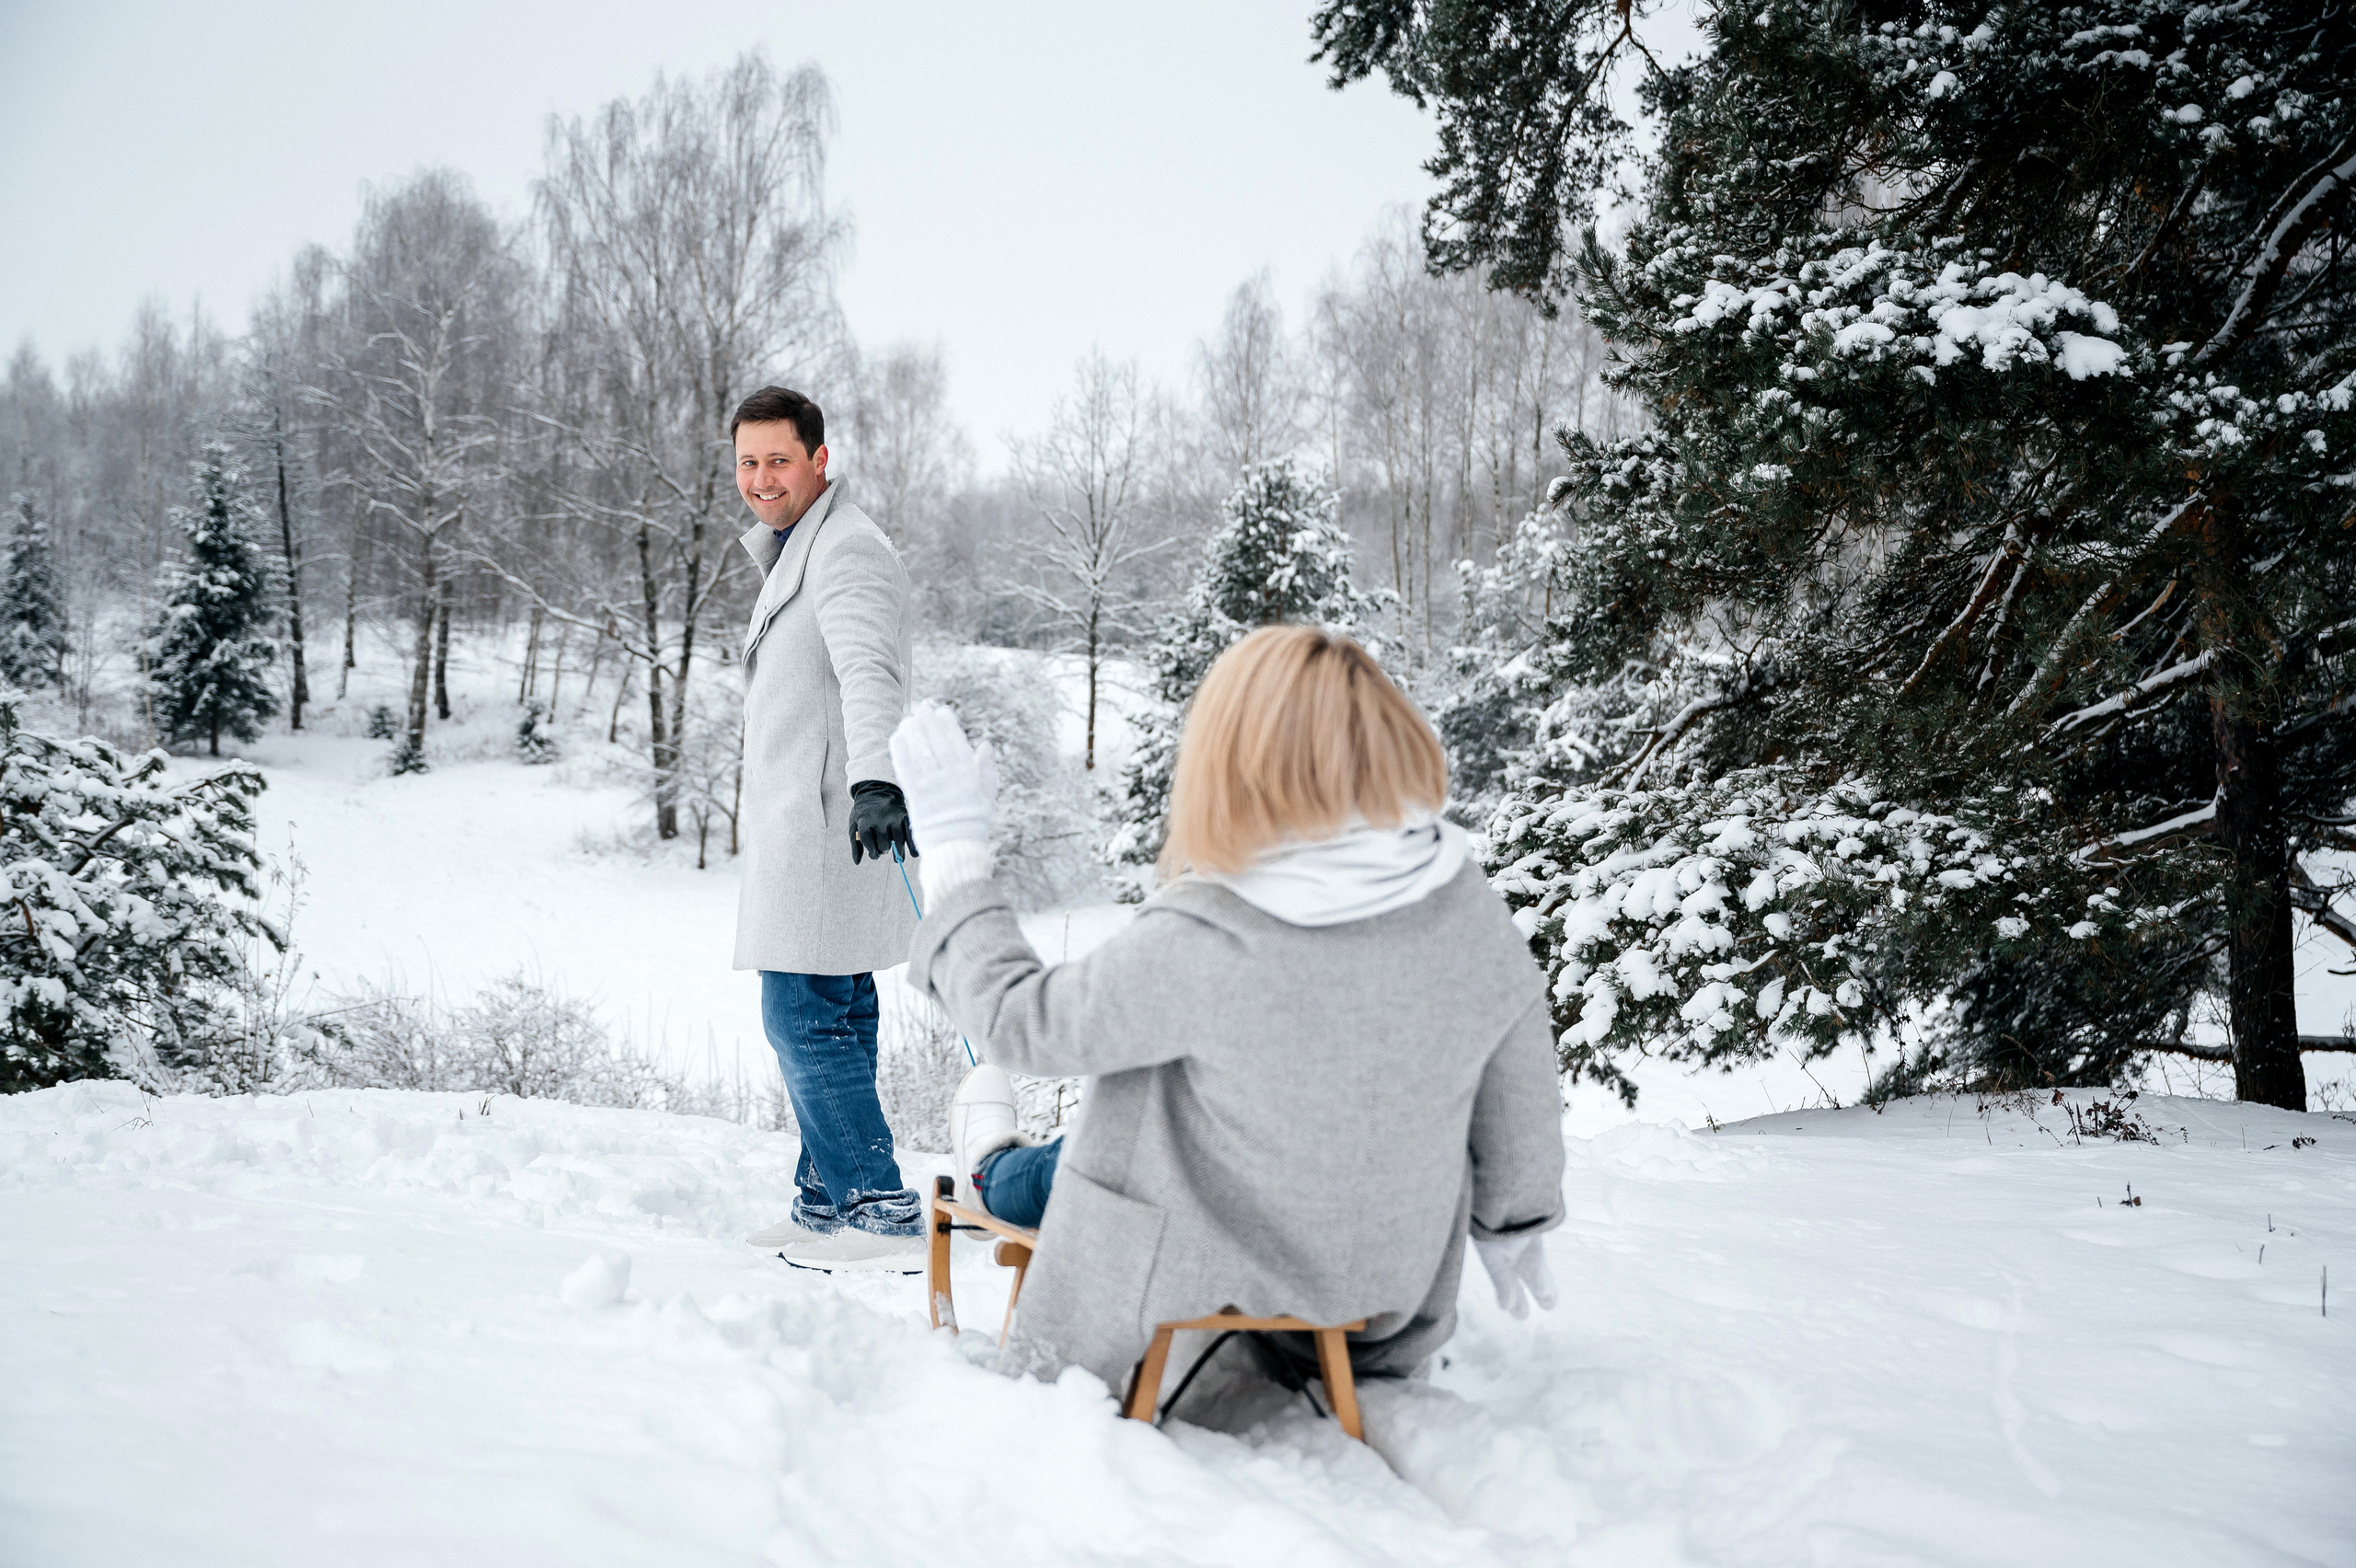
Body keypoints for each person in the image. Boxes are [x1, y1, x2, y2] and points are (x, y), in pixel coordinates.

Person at [888, 624, 1565, 1407]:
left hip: (1192, 1254)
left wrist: (956, 859)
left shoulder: (1212, 931)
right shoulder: (1463, 904)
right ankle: (1007, 1158)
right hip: (1377, 1281)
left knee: (1067, 1158)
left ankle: (988, 1164)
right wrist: (1515, 1223)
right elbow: (1518, 1086)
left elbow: (1022, 1024)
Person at [731, 386, 927, 1273]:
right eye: (747, 462)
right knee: (837, 1009)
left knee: (801, 1014)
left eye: (778, 459)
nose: (761, 479)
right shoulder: (801, 547)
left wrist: (877, 777)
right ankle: (824, 1202)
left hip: (829, 821)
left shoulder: (845, 549)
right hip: (809, 825)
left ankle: (876, 1207)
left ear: (819, 459)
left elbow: (868, 670)